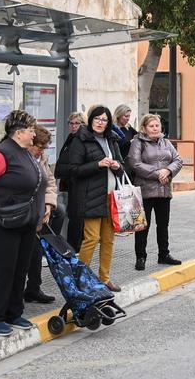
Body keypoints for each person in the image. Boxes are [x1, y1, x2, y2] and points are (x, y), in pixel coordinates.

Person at [0, 110, 46, 337]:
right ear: (19, 133)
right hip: (0, 221)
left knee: (19, 268)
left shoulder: (23, 152)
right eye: (31, 130)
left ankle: (13, 313)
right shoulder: (1, 153)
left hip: (23, 220)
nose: (34, 134)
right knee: (1, 269)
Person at [55, 105, 124, 292]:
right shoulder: (80, 139)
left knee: (108, 240)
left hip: (111, 197)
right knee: (91, 239)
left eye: (104, 120)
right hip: (90, 197)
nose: (100, 123)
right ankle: (81, 279)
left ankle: (104, 278)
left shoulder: (111, 139)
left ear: (108, 123)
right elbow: (72, 170)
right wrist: (98, 164)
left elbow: (122, 166)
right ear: (91, 119)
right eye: (97, 119)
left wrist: (117, 166)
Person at [126, 114, 184, 270]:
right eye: (151, 126)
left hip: (164, 190)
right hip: (144, 190)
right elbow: (135, 163)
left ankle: (164, 254)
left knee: (163, 224)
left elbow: (178, 160)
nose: (155, 128)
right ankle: (141, 257)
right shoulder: (138, 142)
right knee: (142, 226)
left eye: (157, 125)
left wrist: (168, 171)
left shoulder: (166, 142)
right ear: (144, 128)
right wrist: (158, 174)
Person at [22, 125, 61, 305]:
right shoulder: (22, 158)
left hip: (38, 212)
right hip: (25, 214)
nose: (42, 151)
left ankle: (33, 289)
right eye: (39, 147)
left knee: (36, 252)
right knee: (26, 255)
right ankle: (18, 293)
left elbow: (50, 183)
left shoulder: (42, 158)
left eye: (45, 148)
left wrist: (48, 204)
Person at [60, 111, 88, 250]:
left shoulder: (81, 139)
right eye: (71, 123)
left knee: (76, 216)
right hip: (69, 181)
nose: (73, 126)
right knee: (72, 214)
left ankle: (75, 247)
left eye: (77, 123)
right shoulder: (71, 137)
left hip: (77, 182)